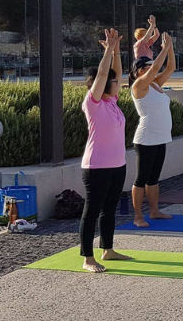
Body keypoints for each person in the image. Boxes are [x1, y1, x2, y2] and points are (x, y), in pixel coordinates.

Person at [79, 28, 130, 272]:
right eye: (113, 81)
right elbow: (103, 74)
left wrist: (117, 51)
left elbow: (115, 73)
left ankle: (108, 249)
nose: (116, 83)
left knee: (109, 210)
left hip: (117, 164)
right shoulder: (93, 103)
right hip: (96, 166)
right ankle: (88, 258)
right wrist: (108, 51)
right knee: (92, 211)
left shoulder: (112, 101)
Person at [130, 32, 176, 228]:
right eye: (147, 67)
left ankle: (154, 210)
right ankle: (138, 216)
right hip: (146, 137)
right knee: (142, 177)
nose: (152, 69)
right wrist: (163, 48)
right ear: (140, 70)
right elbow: (157, 66)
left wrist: (170, 46)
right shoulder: (139, 85)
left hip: (160, 136)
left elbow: (170, 67)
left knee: (154, 177)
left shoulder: (155, 84)